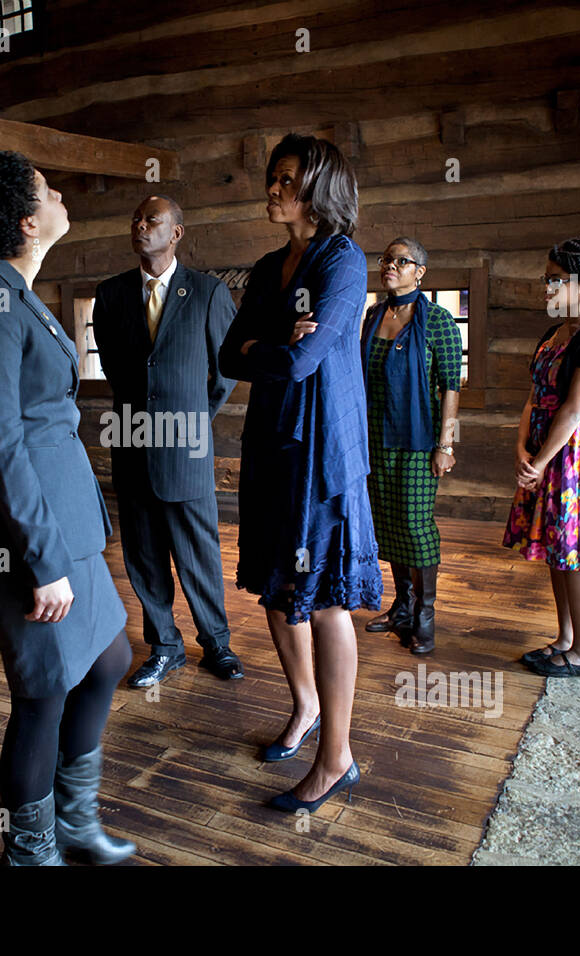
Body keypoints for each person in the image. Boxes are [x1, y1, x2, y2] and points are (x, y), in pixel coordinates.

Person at [0, 150, 135, 864]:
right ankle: (29, 854)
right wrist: (43, 559)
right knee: (45, 692)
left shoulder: (17, 291)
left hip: (64, 517)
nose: (63, 196)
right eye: (51, 191)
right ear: (29, 220)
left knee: (108, 655)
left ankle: (75, 825)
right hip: (22, 533)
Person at [219, 133, 381, 812]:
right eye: (272, 178)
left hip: (321, 450)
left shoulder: (343, 262)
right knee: (276, 591)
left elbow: (301, 364)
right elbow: (231, 355)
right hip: (271, 447)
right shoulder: (264, 268)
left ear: (318, 187)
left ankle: (336, 757)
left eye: (287, 179)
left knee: (325, 599)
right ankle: (306, 706)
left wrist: (273, 345)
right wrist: (271, 341)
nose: (274, 189)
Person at [92, 195, 242, 688]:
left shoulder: (207, 292)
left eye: (152, 220)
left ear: (176, 233)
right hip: (133, 445)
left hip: (187, 449)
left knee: (199, 552)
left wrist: (190, 420)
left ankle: (216, 645)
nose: (141, 225)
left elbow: (224, 373)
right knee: (143, 554)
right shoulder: (110, 295)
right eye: (136, 218)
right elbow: (115, 366)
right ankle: (164, 647)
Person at [503, 237, 580, 678]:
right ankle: (566, 639)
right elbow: (534, 398)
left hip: (576, 452)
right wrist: (522, 449)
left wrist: (541, 460)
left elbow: (574, 408)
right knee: (557, 548)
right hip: (544, 448)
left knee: (576, 550)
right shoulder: (554, 333)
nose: (547, 287)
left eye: (556, 280)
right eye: (546, 279)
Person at [361, 237, 463, 654]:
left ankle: (425, 615)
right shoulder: (372, 317)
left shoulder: (438, 321)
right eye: (387, 259)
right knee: (386, 524)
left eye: (402, 261)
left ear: (420, 272)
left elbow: (450, 388)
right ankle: (401, 605)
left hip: (418, 443)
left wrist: (446, 444)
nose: (391, 266)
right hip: (372, 438)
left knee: (416, 527)